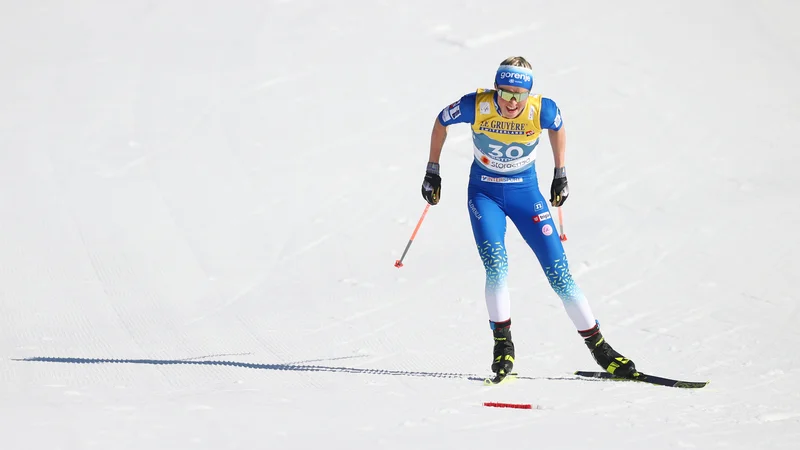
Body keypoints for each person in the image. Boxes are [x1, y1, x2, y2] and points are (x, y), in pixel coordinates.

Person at [421, 56, 636, 379]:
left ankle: (601, 349)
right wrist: (433, 170)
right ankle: (502, 345)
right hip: (485, 194)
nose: (510, 102)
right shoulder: (476, 105)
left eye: (517, 95)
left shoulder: (543, 110)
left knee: (560, 274)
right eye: (504, 93)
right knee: (496, 265)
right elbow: (441, 121)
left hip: (527, 195)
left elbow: (558, 127)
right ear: (496, 89)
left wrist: (560, 172)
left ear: (528, 94)